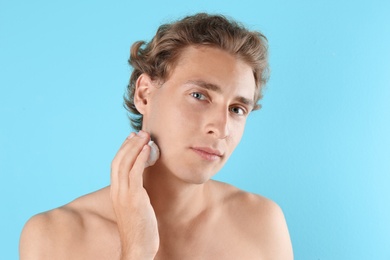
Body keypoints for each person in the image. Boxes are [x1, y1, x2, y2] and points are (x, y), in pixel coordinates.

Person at [20, 13, 293, 259]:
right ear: (144, 94)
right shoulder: (53, 236)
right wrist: (137, 250)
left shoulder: (261, 223)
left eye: (237, 109)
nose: (221, 129)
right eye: (199, 96)